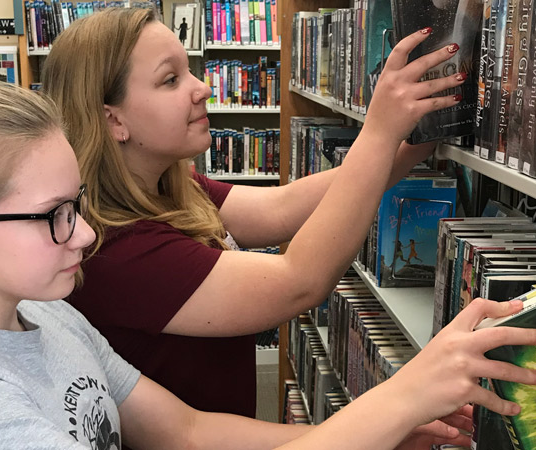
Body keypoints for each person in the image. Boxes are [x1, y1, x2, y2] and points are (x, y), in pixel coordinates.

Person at [0, 82, 536, 449]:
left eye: (78, 204)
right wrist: (399, 399)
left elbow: (187, 432)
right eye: (55, 216)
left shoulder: (44, 315)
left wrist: (365, 430)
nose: (85, 234)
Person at [41, 7, 475, 418]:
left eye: (189, 70)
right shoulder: (117, 248)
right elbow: (299, 282)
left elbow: (281, 207)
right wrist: (378, 132)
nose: (202, 88)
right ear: (113, 120)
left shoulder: (171, 189)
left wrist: (416, 136)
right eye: (170, 80)